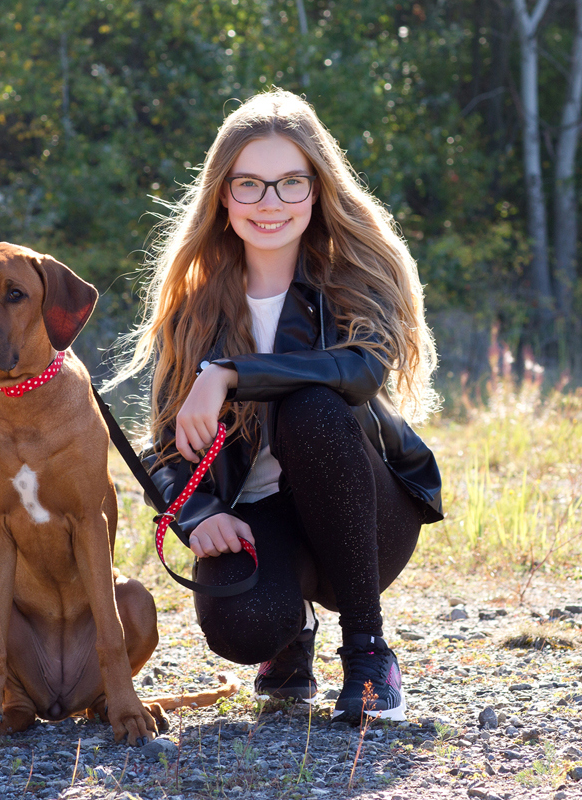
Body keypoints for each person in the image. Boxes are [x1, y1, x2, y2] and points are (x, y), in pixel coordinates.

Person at [109, 89, 442, 724]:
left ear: (317, 189)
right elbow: (162, 443)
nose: (271, 203)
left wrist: (231, 373)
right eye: (251, 185)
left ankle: (370, 654)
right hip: (261, 515)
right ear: (222, 195)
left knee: (311, 408)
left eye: (291, 183)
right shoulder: (195, 304)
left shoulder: (356, 276)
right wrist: (198, 512)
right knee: (242, 626)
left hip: (367, 516)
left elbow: (360, 370)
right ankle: (290, 634)